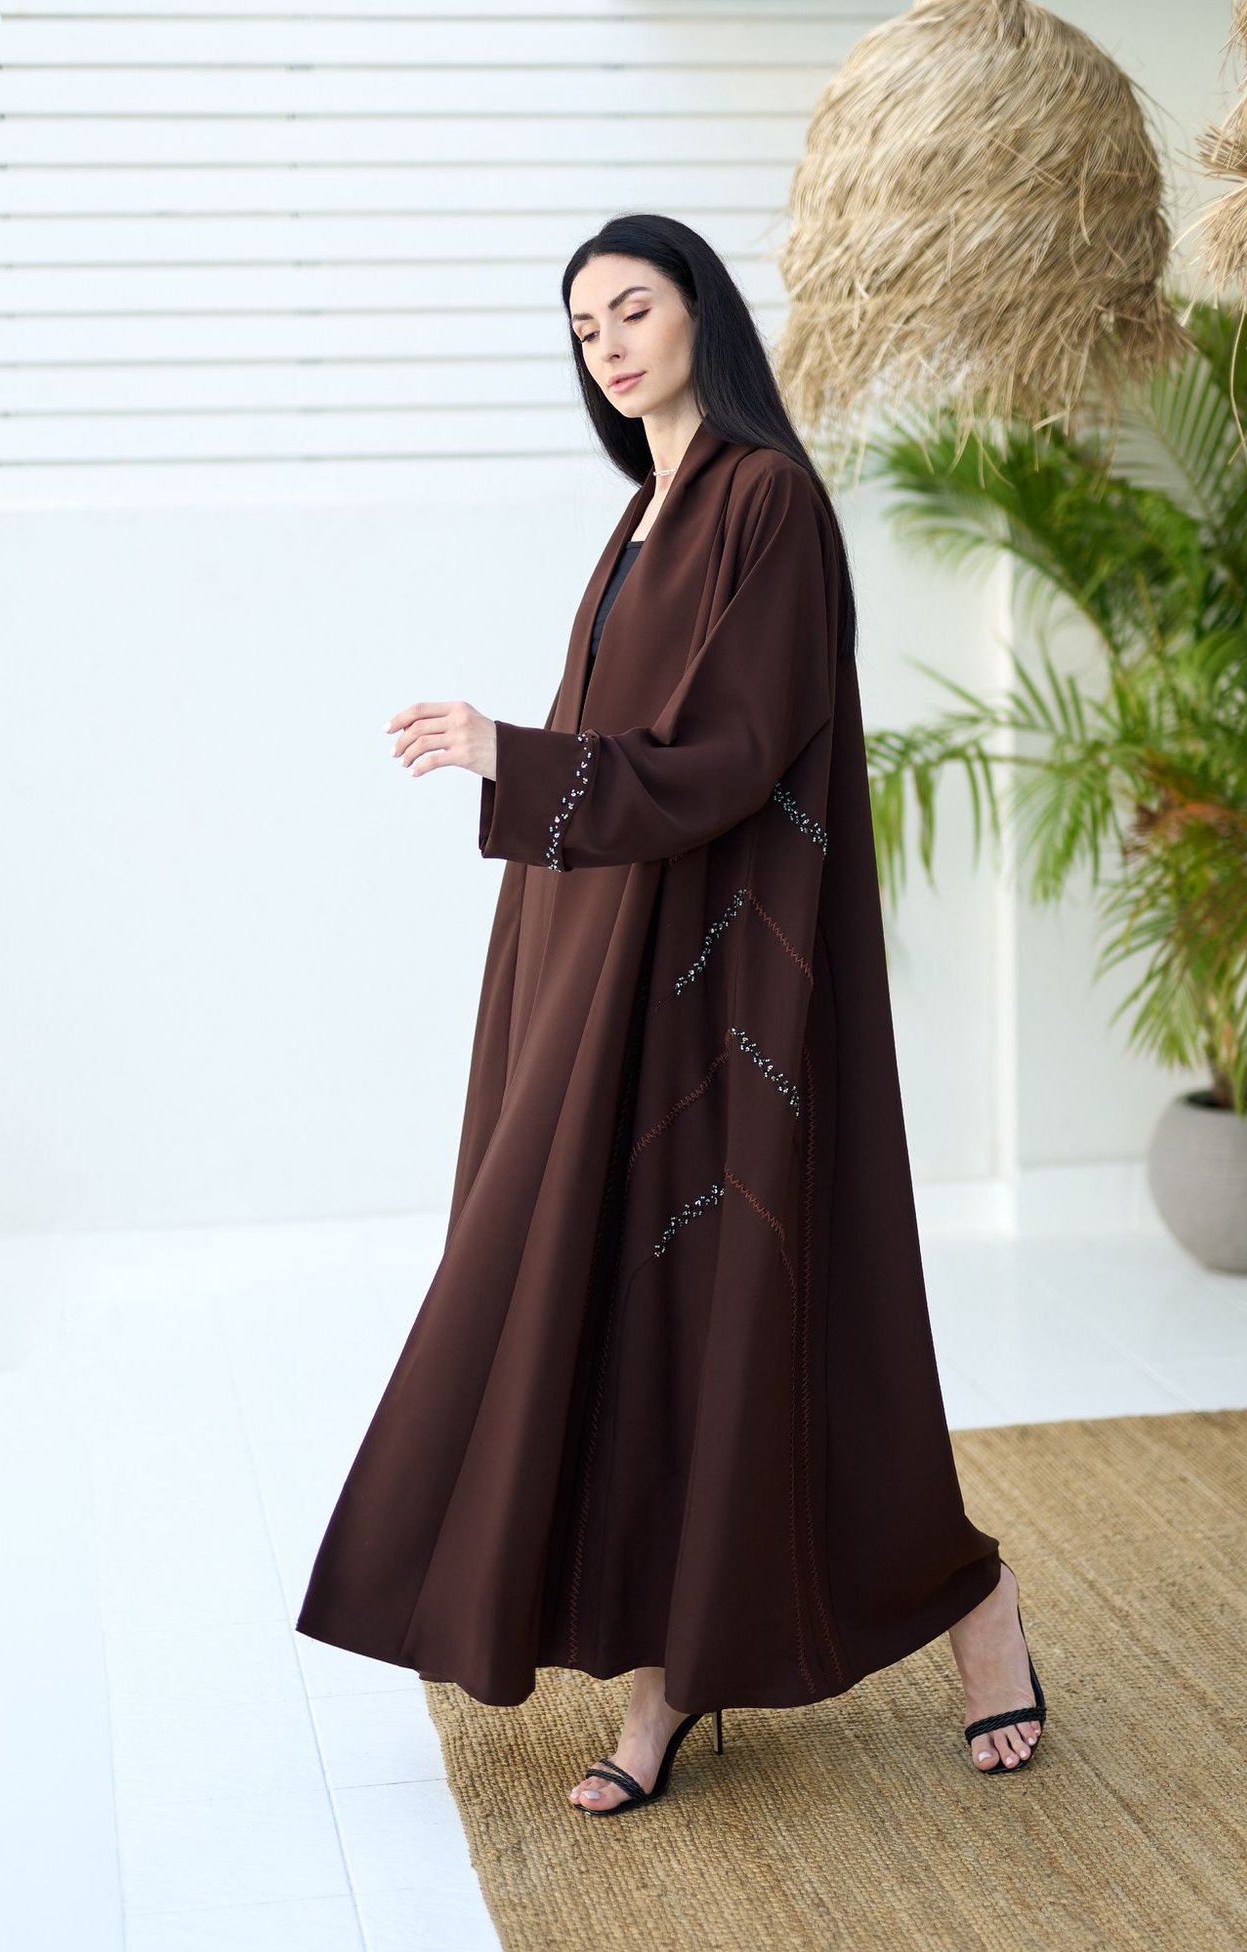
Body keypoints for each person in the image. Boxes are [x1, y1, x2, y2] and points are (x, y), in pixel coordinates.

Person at [295, 214, 1046, 1815]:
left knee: (727, 1314)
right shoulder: (642, 513)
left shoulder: (767, 502)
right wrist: (529, 815)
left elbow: (734, 749)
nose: (610, 347)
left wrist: (507, 753)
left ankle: (965, 1606)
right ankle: (670, 1678)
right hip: (603, 964)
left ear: (702, 310)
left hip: (716, 985)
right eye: (585, 331)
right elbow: (633, 745)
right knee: (630, 1321)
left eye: (632, 310)